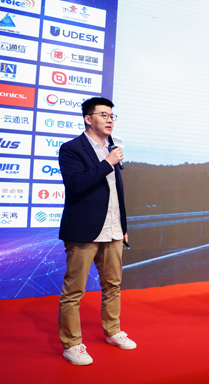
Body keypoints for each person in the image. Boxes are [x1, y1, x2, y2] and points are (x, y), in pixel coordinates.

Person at [58, 96, 136, 366]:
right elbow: (76, 185)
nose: (109, 119)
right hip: (84, 231)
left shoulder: (112, 149)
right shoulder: (72, 149)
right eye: (103, 115)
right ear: (88, 118)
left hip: (113, 230)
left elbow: (117, 194)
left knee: (113, 285)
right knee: (74, 291)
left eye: (112, 116)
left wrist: (123, 227)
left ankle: (113, 331)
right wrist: (107, 163)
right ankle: (72, 344)